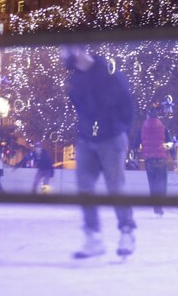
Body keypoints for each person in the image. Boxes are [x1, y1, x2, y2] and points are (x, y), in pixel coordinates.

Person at [61, 45, 136, 259]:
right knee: (85, 187)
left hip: (112, 138)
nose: (61, 55)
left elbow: (128, 106)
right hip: (86, 140)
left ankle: (126, 233)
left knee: (116, 187)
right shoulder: (75, 79)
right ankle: (93, 237)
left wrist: (123, 134)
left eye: (64, 49)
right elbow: (80, 108)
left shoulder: (109, 74)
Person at [133, 106, 173, 217]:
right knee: (161, 184)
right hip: (161, 159)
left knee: (153, 184)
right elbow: (170, 143)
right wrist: (173, 156)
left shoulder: (142, 128)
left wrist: (134, 155)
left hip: (149, 160)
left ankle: (156, 208)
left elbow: (135, 144)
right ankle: (160, 207)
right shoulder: (163, 128)